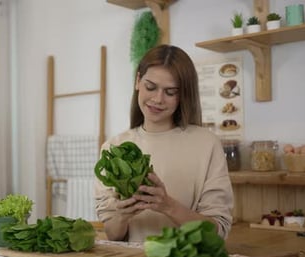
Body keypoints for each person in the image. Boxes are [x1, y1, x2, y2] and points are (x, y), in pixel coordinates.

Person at [95, 44, 234, 242]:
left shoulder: (206, 144)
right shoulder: (114, 149)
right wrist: (123, 214)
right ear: (137, 81)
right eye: (150, 87)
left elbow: (217, 232)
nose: (157, 99)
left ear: (183, 95)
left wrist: (167, 205)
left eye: (170, 92)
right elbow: (112, 233)